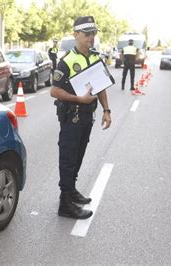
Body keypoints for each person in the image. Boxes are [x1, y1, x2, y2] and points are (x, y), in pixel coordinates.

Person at [50, 16, 112, 220]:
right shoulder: (67, 60)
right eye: (87, 34)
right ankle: (65, 203)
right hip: (72, 117)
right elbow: (55, 91)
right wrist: (78, 99)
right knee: (68, 158)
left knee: (78, 156)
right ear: (76, 35)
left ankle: (71, 190)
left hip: (87, 117)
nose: (91, 38)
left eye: (93, 34)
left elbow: (101, 85)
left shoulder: (95, 58)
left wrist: (106, 110)